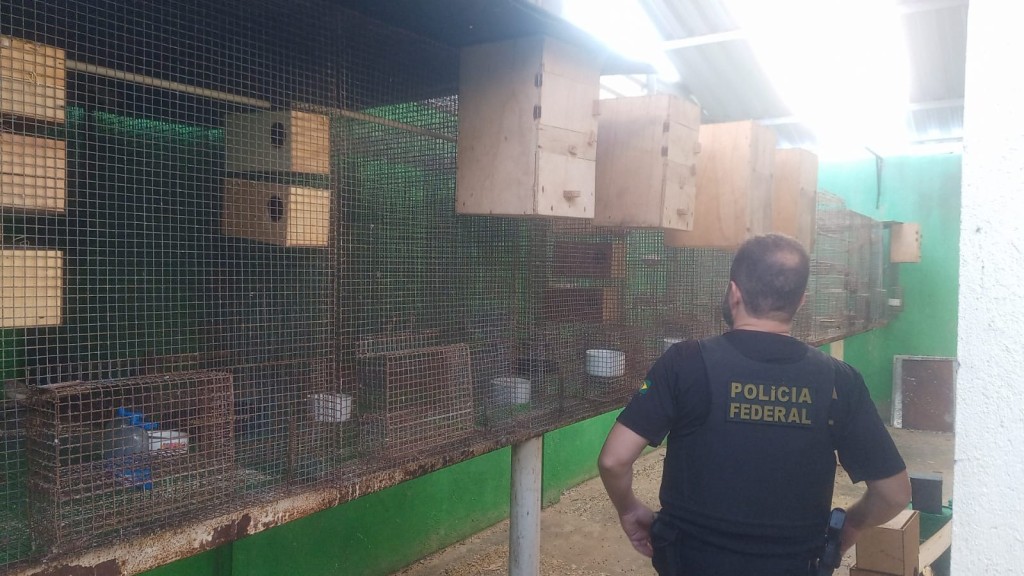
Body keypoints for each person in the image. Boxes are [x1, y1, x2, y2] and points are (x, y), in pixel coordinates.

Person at [598, 234, 910, 576]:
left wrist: (628, 509)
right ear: (801, 301)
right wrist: (850, 525)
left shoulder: (684, 363)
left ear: (734, 292)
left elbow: (614, 460)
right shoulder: (840, 380)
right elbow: (894, 494)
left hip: (691, 562)